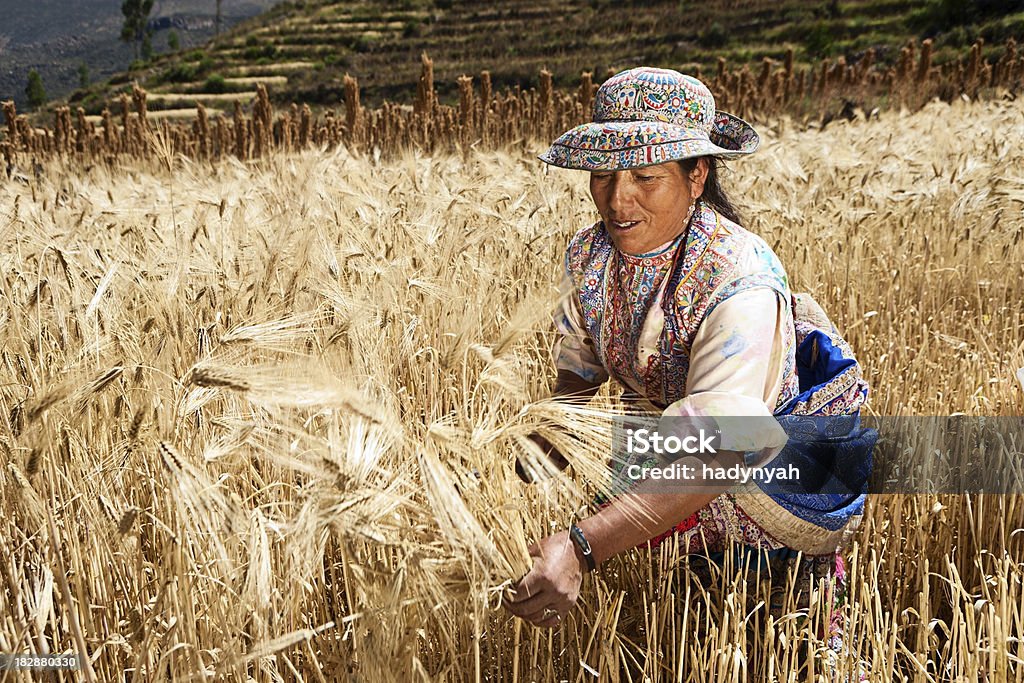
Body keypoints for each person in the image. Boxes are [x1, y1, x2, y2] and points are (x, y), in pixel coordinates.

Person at [503, 67, 873, 644]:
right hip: (670, 471)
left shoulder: (738, 280)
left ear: (696, 175)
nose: (617, 198)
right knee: (687, 635)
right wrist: (516, 468)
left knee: (780, 640)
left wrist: (581, 546)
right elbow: (575, 382)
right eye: (603, 174)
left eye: (646, 177)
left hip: (762, 490)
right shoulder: (590, 256)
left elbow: (725, 448)